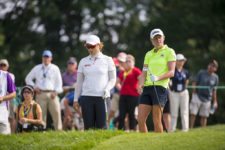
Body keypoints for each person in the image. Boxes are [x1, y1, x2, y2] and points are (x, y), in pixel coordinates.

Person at [73, 34, 116, 130]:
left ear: (99, 45)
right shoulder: (83, 61)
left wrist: (107, 88)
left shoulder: (108, 60)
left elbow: (113, 79)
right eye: (88, 46)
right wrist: (76, 99)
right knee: (88, 128)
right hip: (86, 97)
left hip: (102, 97)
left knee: (102, 127)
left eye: (92, 46)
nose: (90, 49)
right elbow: (79, 82)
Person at [137, 28, 176, 133]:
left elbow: (172, 72)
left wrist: (158, 77)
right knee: (140, 119)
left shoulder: (169, 51)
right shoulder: (148, 54)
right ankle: (143, 143)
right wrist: (140, 84)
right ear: (152, 40)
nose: (158, 40)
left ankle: (157, 144)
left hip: (160, 88)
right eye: (155, 38)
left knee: (156, 120)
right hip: (147, 88)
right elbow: (144, 71)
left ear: (163, 38)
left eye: (159, 37)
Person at [25, 50, 63, 130]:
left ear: (51, 58)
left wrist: (56, 92)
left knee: (56, 112)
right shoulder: (37, 68)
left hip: (52, 94)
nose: (46, 58)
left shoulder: (55, 68)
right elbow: (28, 79)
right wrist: (35, 87)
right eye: (44, 57)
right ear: (42, 58)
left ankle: (59, 131)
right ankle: (41, 131)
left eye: (47, 57)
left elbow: (59, 83)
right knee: (40, 114)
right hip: (40, 93)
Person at [190, 60, 219, 128]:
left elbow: (214, 90)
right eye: (210, 65)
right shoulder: (201, 72)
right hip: (197, 96)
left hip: (207, 98)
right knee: (193, 113)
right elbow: (194, 82)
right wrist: (194, 92)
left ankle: (203, 129)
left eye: (213, 66)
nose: (210, 66)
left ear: (215, 69)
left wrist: (215, 101)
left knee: (204, 115)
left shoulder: (216, 77)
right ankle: (190, 128)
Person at [117, 54, 142, 131]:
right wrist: (119, 87)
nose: (128, 63)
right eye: (126, 61)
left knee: (132, 114)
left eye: (129, 61)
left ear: (133, 62)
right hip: (123, 95)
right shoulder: (123, 72)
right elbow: (117, 82)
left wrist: (139, 86)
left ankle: (132, 129)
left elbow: (142, 78)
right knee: (122, 114)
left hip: (133, 96)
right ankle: (120, 130)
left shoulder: (136, 70)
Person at [169, 54, 190, 132]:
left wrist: (184, 88)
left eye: (183, 60)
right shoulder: (172, 71)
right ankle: (172, 128)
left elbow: (187, 80)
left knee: (184, 111)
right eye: (181, 60)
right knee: (174, 111)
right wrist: (170, 89)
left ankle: (185, 129)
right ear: (176, 61)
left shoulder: (186, 71)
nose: (182, 62)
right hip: (174, 93)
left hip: (184, 93)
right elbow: (168, 81)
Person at [108, 52, 127, 129]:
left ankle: (128, 130)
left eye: (122, 61)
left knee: (126, 114)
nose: (120, 63)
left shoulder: (130, 70)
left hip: (126, 95)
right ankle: (107, 127)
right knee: (112, 112)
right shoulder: (115, 70)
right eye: (119, 61)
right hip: (116, 94)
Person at [60, 57, 79, 130]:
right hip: (67, 94)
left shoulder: (79, 74)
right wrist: (69, 88)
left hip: (78, 94)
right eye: (69, 64)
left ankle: (73, 122)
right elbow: (60, 88)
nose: (71, 65)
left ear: (76, 65)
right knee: (62, 103)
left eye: (72, 64)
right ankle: (68, 119)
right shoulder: (64, 75)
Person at [0, 59, 17, 133]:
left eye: (4, 65)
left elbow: (13, 93)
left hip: (4, 104)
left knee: (11, 116)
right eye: (1, 65)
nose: (2, 66)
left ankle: (12, 132)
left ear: (7, 66)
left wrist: (3, 98)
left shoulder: (8, 75)